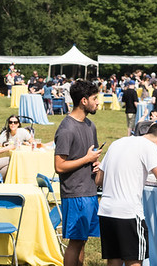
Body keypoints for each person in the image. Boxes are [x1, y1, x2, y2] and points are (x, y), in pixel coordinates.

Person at [96, 122, 157, 266]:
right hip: (129, 213)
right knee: (134, 260)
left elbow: (98, 179)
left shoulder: (117, 142)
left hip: (106, 210)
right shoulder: (150, 147)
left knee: (114, 259)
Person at [54, 79, 102, 266]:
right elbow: (59, 166)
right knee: (75, 241)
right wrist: (87, 159)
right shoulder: (67, 129)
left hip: (89, 191)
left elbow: (91, 155)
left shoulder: (91, 125)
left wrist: (95, 163)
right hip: (75, 193)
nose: (98, 102)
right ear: (83, 101)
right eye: (94, 98)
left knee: (82, 240)